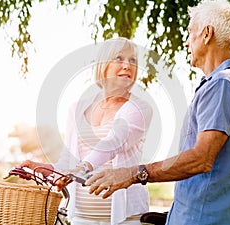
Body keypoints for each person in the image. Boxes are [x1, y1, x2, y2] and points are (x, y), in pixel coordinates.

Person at [86, 1, 230, 225]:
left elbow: (201, 159)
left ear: (207, 34)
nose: (186, 43)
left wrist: (134, 174)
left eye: (190, 33)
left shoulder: (222, 84)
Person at [20, 37, 153, 225]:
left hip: (125, 219)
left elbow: (113, 143)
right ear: (103, 65)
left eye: (133, 61)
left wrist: (82, 168)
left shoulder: (140, 108)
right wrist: (43, 170)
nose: (127, 66)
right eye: (119, 58)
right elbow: (67, 163)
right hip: (82, 218)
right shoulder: (77, 108)